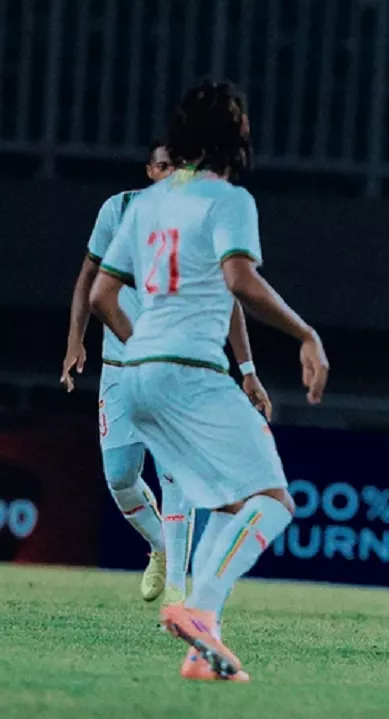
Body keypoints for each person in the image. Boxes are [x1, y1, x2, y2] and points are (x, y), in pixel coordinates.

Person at [89, 79, 329, 682]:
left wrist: (142, 351)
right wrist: (305, 334)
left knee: (227, 500)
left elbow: (100, 296)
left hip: (135, 376)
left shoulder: (145, 204)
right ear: (232, 139)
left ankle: (203, 647)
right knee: (272, 502)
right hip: (191, 373)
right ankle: (197, 607)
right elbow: (240, 280)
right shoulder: (229, 200)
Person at [61, 142, 272, 605]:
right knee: (120, 476)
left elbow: (229, 297)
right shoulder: (118, 211)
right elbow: (87, 279)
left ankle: (177, 588)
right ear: (150, 171)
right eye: (164, 166)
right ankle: (159, 545)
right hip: (121, 369)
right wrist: (76, 339)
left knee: (176, 474)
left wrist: (247, 370)